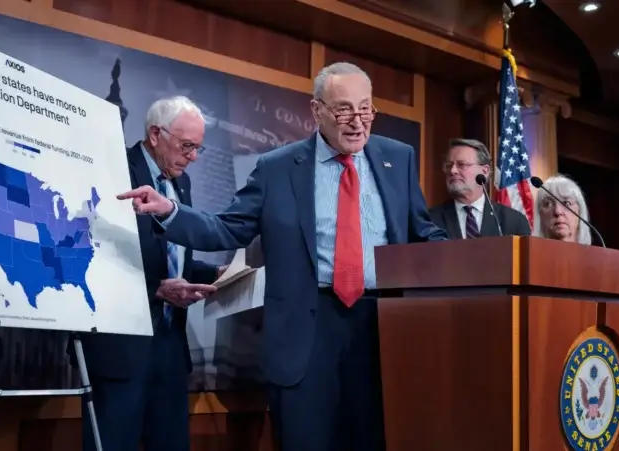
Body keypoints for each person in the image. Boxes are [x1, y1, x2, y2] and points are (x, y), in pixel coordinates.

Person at [117, 62, 447, 451]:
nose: (358, 122)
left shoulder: (398, 158)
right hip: (306, 334)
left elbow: (424, 234)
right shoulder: (277, 169)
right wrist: (170, 211)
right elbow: (227, 228)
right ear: (317, 110)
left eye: (365, 109)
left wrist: (471, 258)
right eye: (343, 109)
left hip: (379, 329)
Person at [77, 96, 226, 451]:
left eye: (198, 149)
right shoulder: (111, 167)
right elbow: (90, 250)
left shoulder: (181, 183)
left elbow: (169, 255)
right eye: (187, 146)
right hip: (120, 347)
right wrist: (155, 289)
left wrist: (214, 273)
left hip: (170, 345)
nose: (192, 157)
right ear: (156, 134)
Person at [429, 138, 531, 238]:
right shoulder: (430, 220)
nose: (453, 171)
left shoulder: (513, 220)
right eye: (448, 165)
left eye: (461, 165)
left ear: (485, 171)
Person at [533, 174, 592, 244]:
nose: (558, 211)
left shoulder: (595, 255)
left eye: (567, 203)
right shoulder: (526, 254)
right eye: (548, 204)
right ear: (539, 214)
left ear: (580, 212)